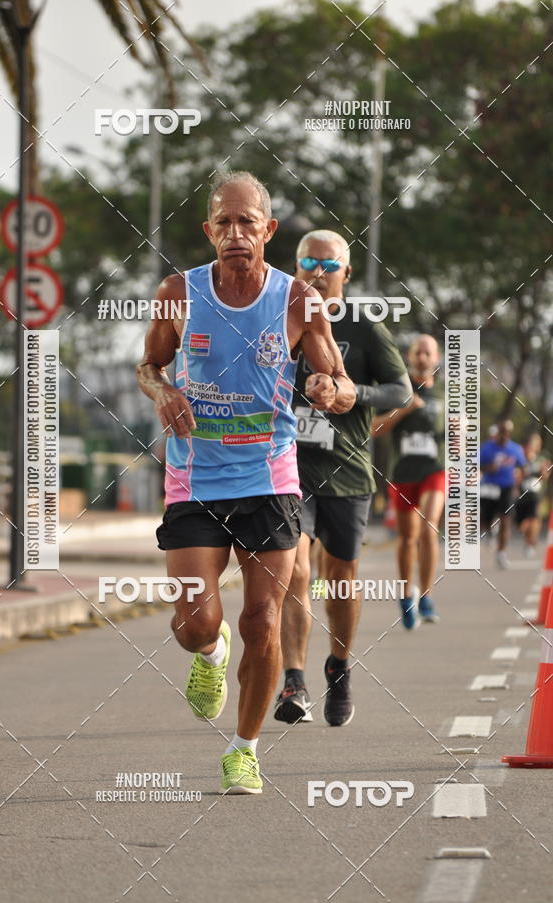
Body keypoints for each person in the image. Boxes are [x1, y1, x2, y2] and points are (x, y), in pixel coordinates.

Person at [136, 172, 356, 794]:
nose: (235, 232)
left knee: (263, 621)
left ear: (268, 229)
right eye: (224, 222)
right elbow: (148, 365)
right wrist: (163, 390)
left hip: (270, 480)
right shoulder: (178, 293)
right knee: (194, 623)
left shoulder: (299, 300)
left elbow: (341, 384)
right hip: (195, 479)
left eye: (247, 222)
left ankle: (245, 749)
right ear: (209, 230)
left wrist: (329, 389)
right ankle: (210, 652)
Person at [274, 229, 411, 726]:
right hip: (287, 468)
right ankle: (294, 680)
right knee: (294, 570)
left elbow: (400, 389)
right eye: (309, 262)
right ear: (295, 268)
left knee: (340, 577)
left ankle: (338, 666)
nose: (318, 272)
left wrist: (356, 395)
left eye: (329, 264)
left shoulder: (365, 325)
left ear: (346, 273)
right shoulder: (275, 320)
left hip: (347, 474)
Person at [372, 335, 445, 629]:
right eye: (418, 352)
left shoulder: (445, 395)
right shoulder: (398, 389)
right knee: (407, 539)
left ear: (437, 358)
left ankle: (426, 595)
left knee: (429, 527)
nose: (423, 357)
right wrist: (404, 409)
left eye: (428, 353)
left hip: (435, 470)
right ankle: (405, 596)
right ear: (410, 357)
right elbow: (374, 428)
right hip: (402, 472)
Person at [480, 420, 526, 568]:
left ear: (510, 433)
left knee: (505, 520)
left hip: (507, 487)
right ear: (497, 432)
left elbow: (522, 468)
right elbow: (477, 466)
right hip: (489, 487)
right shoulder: (487, 447)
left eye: (507, 432)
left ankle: (501, 553)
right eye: (502, 432)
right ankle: (489, 531)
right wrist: (488, 468)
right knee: (486, 517)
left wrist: (518, 482)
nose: (504, 435)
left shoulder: (515, 449)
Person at [516, 433, 549, 557]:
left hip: (535, 494)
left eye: (536, 444)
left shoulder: (541, 459)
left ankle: (530, 544)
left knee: (534, 518)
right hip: (521, 495)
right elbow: (516, 476)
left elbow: (545, 477)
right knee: (522, 524)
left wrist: (544, 471)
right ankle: (529, 539)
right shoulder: (520, 460)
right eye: (530, 444)